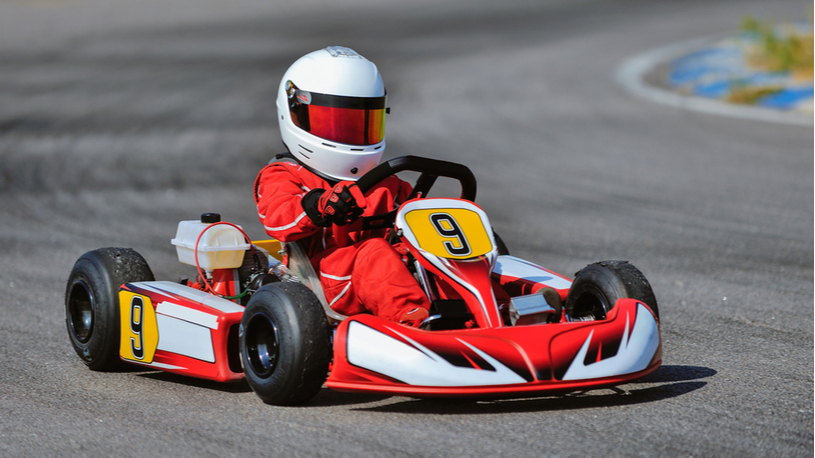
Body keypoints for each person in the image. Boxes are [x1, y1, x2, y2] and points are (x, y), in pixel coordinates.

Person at [254, 46, 431, 327]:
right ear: (296, 112)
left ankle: (503, 309)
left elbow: (415, 215)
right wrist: (319, 206)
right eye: (336, 124)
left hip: (386, 274)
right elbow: (279, 218)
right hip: (323, 283)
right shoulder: (284, 174)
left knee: (444, 255)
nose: (349, 135)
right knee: (374, 252)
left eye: (361, 124)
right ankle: (415, 324)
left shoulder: (386, 182)